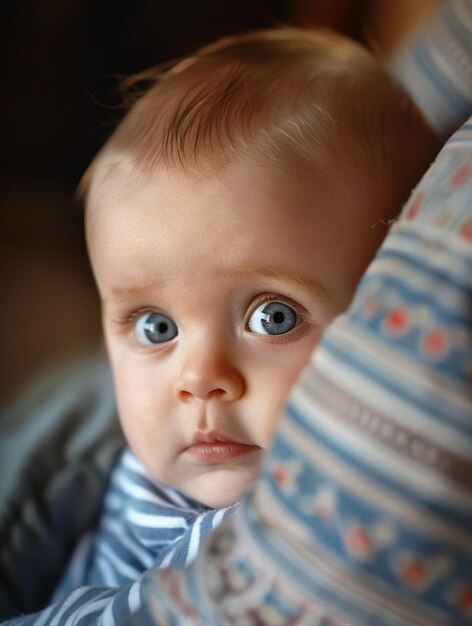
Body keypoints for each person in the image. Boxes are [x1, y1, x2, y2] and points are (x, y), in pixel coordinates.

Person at [1, 24, 439, 626]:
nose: (199, 378)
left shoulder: (308, 538)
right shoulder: (104, 474)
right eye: (156, 327)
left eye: (273, 317)